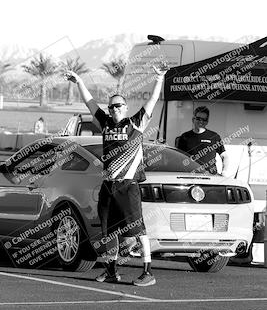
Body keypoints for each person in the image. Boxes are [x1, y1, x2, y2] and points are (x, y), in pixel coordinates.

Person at [64, 63, 168, 286]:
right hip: (108, 185)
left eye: (118, 106)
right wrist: (80, 82)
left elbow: (152, 101)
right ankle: (111, 271)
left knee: (138, 229)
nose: (114, 110)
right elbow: (90, 104)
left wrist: (159, 79)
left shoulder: (136, 123)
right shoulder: (105, 123)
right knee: (108, 232)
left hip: (128, 185)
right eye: (111, 107)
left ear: (126, 107)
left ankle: (148, 271)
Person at [177, 106, 229, 175]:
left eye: (204, 119)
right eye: (198, 119)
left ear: (207, 121)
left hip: (210, 177)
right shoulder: (184, 137)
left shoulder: (214, 137)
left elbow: (224, 156)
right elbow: (178, 158)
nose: (201, 121)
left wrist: (224, 172)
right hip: (189, 176)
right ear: (193, 119)